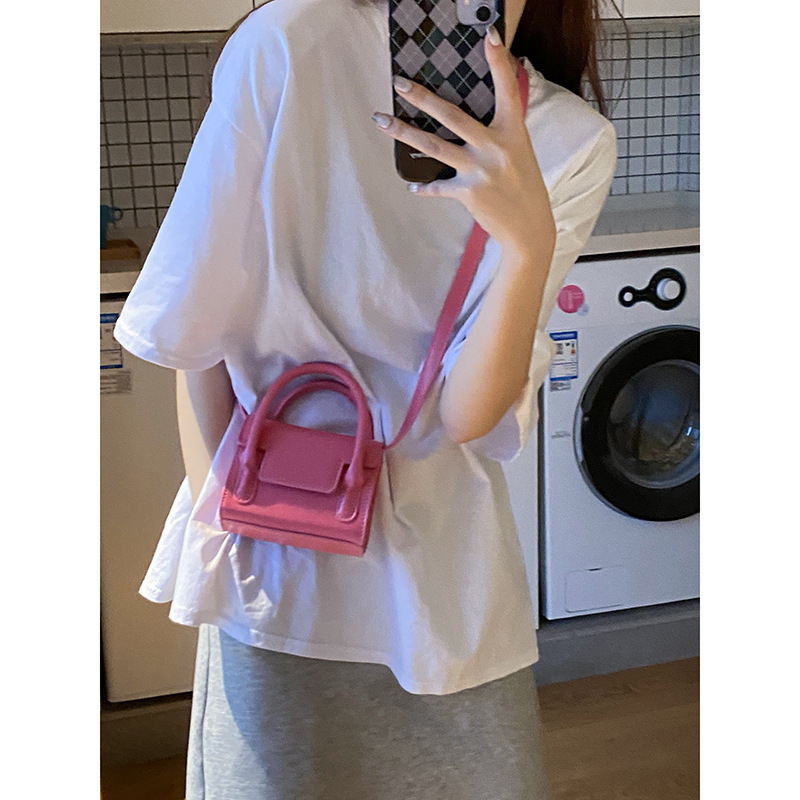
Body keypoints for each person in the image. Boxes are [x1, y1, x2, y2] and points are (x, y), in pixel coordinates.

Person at [113, 0, 618, 797]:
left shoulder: (571, 140)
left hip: (443, 591)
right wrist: (230, 543)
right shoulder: (287, 44)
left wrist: (527, 244)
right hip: (276, 578)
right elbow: (193, 328)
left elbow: (468, 416)